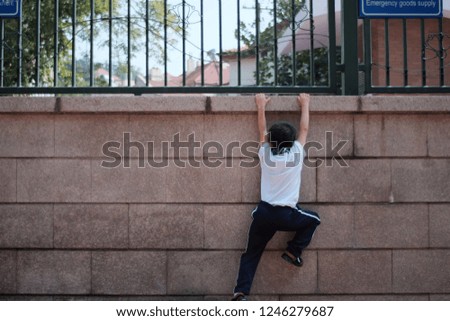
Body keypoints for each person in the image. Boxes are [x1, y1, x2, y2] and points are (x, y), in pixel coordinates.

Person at [232, 93, 321, 301]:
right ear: (290, 142)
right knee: (314, 219)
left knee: (251, 253)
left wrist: (261, 106)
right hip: (287, 215)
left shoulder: (265, 154)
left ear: (271, 142)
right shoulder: (296, 154)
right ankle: (293, 251)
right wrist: (305, 104)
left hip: (263, 213)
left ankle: (240, 292)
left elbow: (262, 131)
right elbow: (304, 130)